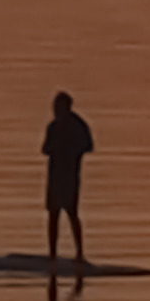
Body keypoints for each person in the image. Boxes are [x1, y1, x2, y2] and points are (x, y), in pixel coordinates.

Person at [40, 91, 94, 267]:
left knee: (71, 214)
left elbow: (88, 145)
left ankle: (79, 254)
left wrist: (71, 150)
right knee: (53, 215)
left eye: (58, 107)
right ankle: (52, 255)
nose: (56, 111)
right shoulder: (53, 127)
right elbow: (45, 149)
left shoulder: (77, 125)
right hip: (55, 176)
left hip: (69, 176)